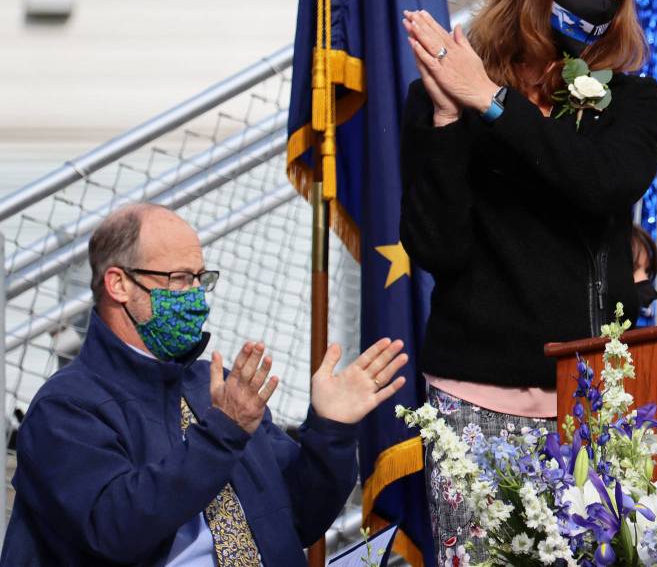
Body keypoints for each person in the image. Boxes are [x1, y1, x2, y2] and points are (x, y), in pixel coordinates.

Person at [398, 0, 657, 562]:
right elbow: (438, 247)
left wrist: (493, 105)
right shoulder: (447, 96)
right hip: (472, 395)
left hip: (586, 401)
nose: (601, 3)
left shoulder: (632, 100)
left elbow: (600, 183)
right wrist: (446, 121)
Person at [0, 203, 408, 566]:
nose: (195, 295)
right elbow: (115, 533)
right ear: (118, 284)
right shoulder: (67, 407)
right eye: (178, 279)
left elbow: (299, 518)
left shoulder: (210, 385)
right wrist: (221, 435)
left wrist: (330, 429)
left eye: (200, 278)